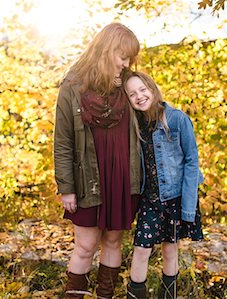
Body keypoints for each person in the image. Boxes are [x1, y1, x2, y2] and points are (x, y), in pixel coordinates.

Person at [53, 23, 141, 299]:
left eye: (129, 58)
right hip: (87, 181)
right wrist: (66, 187)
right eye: (122, 56)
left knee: (114, 242)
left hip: (124, 178)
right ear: (105, 50)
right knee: (85, 246)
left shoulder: (128, 85)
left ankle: (104, 295)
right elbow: (63, 142)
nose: (126, 63)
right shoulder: (72, 88)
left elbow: (153, 108)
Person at [123, 71, 204, 299]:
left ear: (152, 88)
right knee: (141, 250)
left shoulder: (177, 119)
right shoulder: (134, 126)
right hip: (150, 200)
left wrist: (188, 206)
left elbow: (191, 162)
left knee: (170, 250)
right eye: (132, 94)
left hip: (175, 197)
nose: (139, 96)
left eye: (142, 89)